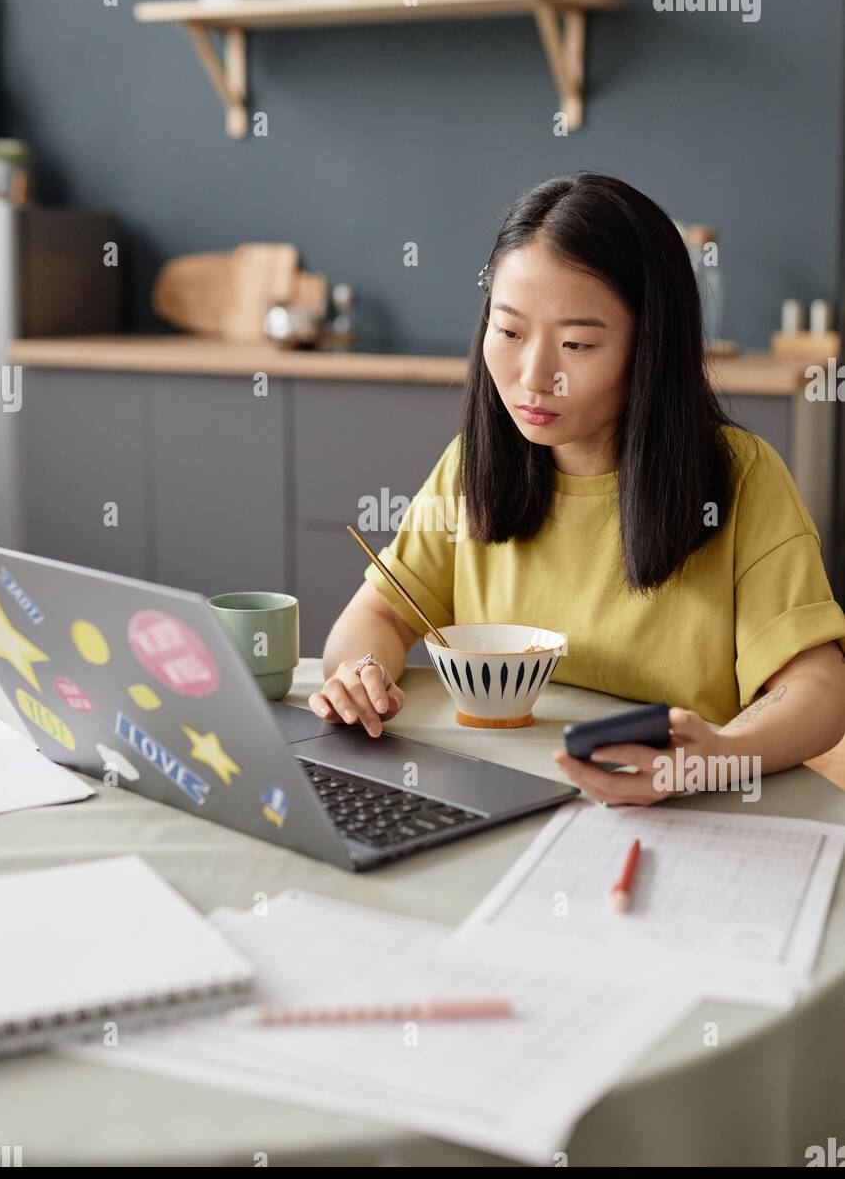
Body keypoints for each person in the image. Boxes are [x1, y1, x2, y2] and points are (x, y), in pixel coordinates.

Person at [309, 173, 845, 805]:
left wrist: (716, 757)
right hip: (497, 797)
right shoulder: (472, 466)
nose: (535, 378)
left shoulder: (741, 476)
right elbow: (376, 615)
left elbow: (818, 687)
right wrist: (359, 674)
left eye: (577, 344)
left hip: (680, 814)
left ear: (650, 345)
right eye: (508, 332)